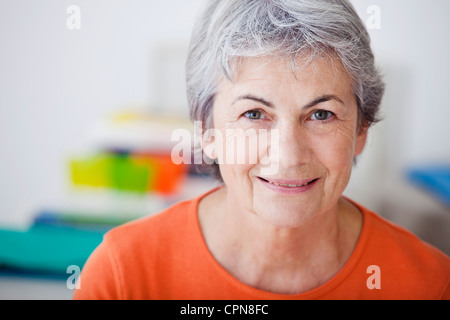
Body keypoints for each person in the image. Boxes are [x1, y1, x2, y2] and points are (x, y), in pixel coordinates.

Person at [73, 0, 449, 299]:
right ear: (206, 130)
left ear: (361, 128)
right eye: (254, 113)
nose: (287, 155)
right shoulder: (124, 275)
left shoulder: (429, 285)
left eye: (321, 114)